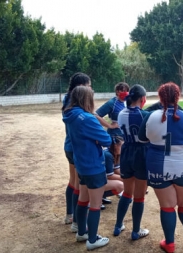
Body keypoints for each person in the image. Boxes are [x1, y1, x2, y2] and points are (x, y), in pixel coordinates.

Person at [139, 82, 183, 253]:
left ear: (160, 97)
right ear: (178, 97)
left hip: (156, 164)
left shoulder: (150, 116)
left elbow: (142, 139)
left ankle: (170, 243)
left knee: (167, 206)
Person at [63, 86, 113, 250]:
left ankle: (81, 232)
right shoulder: (88, 118)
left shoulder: (70, 116)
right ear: (87, 99)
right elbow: (107, 140)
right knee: (95, 204)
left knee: (83, 199)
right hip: (93, 165)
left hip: (81, 164)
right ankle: (92, 239)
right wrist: (97, 139)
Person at [113, 84, 150, 240]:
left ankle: (118, 225)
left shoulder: (121, 113)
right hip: (141, 153)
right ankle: (136, 231)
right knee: (139, 196)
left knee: (127, 193)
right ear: (143, 99)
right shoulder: (145, 115)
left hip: (126, 152)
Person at [61, 72, 91, 229]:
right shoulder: (76, 101)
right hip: (76, 147)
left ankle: (69, 215)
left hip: (69, 145)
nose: (90, 88)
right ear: (81, 86)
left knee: (73, 182)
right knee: (79, 185)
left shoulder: (68, 99)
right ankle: (76, 223)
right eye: (88, 85)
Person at [95, 82, 130, 170]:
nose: (125, 92)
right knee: (116, 159)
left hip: (125, 135)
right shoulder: (112, 103)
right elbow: (96, 115)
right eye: (123, 91)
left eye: (127, 91)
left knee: (123, 159)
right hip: (115, 135)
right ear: (117, 92)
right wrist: (109, 126)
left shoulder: (128, 102)